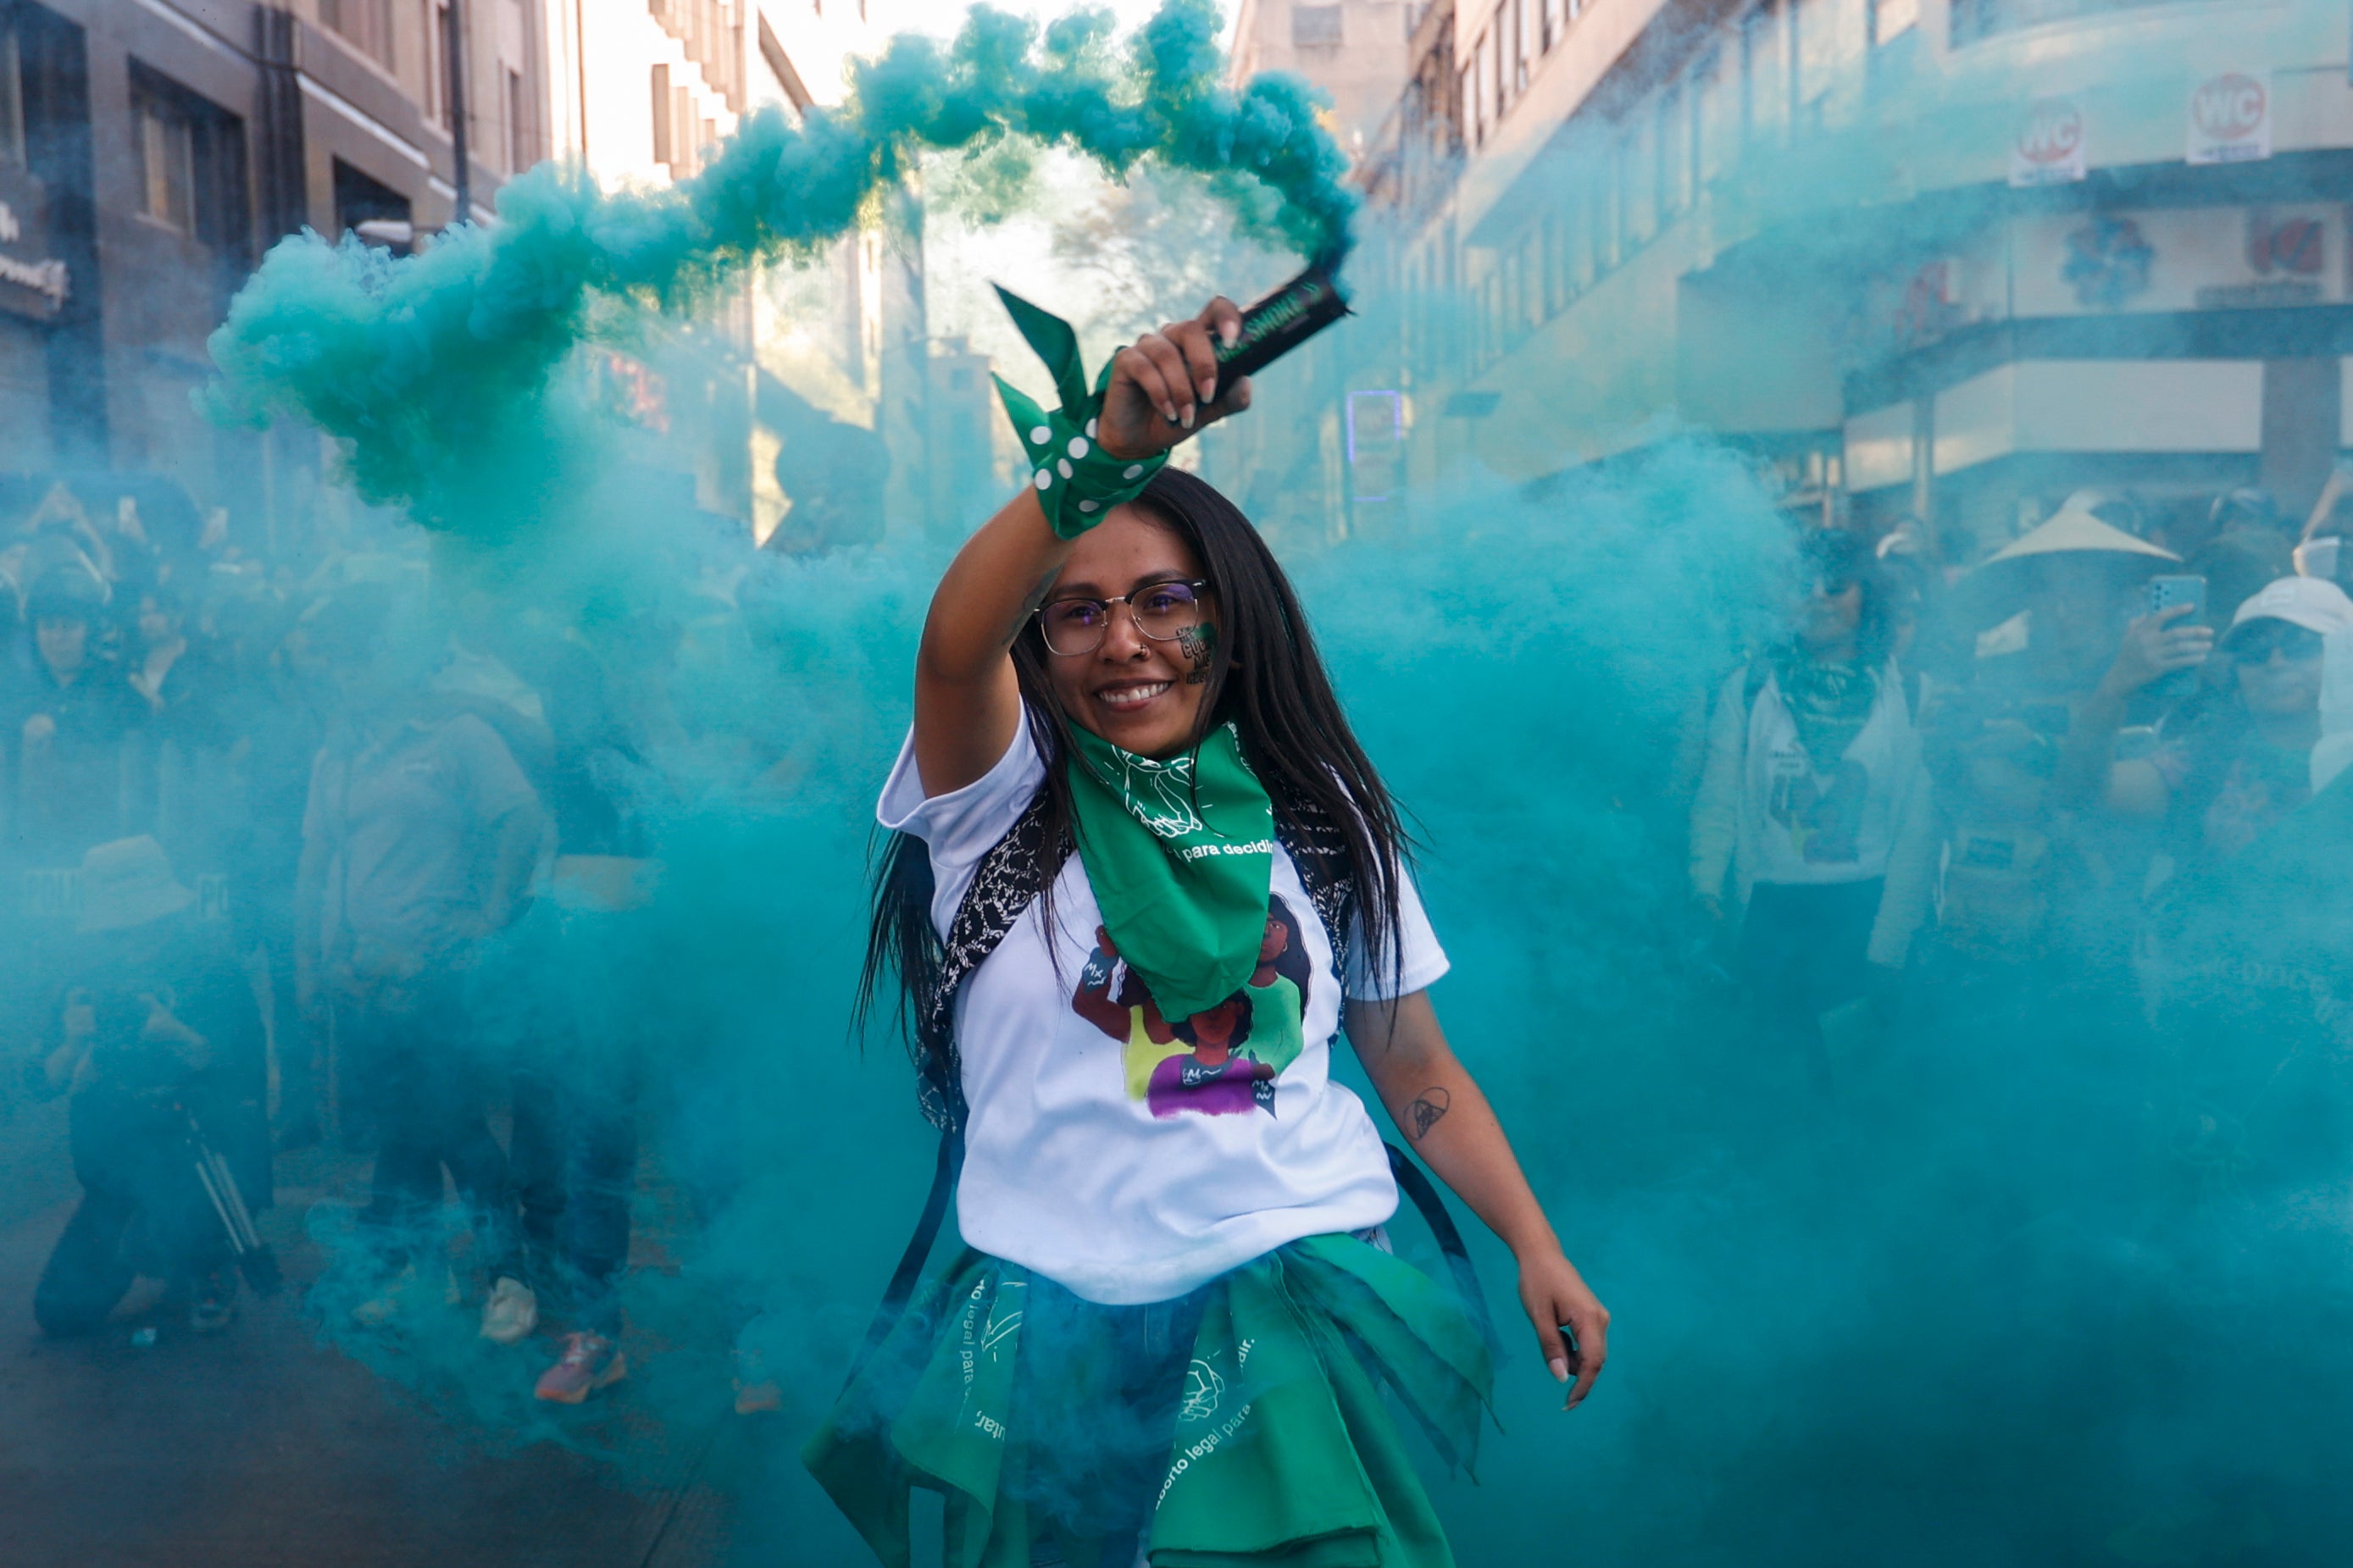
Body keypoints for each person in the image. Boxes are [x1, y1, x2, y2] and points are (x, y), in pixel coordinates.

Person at [804, 296, 1608, 1567]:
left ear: (1224, 619)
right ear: (1039, 643)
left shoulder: (1319, 816)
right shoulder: (994, 802)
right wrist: (1101, 461)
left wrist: (1534, 1240)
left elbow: (1416, 1065)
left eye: (1163, 599)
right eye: (1076, 611)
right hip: (1050, 1323)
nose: (1124, 639)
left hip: (1287, 1298)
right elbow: (953, 649)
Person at [294, 583, 546, 1341]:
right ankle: (421, 1272)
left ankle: (509, 1276)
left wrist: (489, 915)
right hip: (359, 977)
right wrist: (311, 960)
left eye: (354, 658)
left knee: (456, 1126)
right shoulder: (338, 752)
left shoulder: (457, 735)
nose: (342, 676)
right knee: (402, 1132)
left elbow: (521, 818)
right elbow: (315, 862)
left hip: (436, 974)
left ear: (391, 655)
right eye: (333, 662)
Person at [1689, 530, 1934, 1072]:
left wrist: (1888, 948)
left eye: (1837, 584)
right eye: (1804, 584)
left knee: (1855, 1086)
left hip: (1867, 913)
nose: (1819, 596)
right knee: (1767, 1082)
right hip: (1768, 918)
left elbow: (1917, 834)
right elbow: (1717, 802)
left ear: (1866, 595)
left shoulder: (1912, 692)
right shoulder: (1749, 687)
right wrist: (1706, 893)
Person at [29, 836, 270, 1337]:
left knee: (171, 1233)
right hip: (119, 1168)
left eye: (147, 923)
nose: (135, 936)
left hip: (198, 1161)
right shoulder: (89, 978)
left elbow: (245, 1070)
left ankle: (207, 1257)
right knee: (59, 1313)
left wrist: (179, 1036)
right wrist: (72, 1046)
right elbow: (42, 1082)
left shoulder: (212, 969)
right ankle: (151, 1237)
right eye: (120, 929)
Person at [11, 567, 147, 867]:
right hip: (31, 852)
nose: (57, 638)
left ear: (91, 631)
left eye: (69, 626)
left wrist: (61, 724)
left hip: (105, 845)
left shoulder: (119, 687)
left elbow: (120, 726)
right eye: (48, 626)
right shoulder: (18, 692)